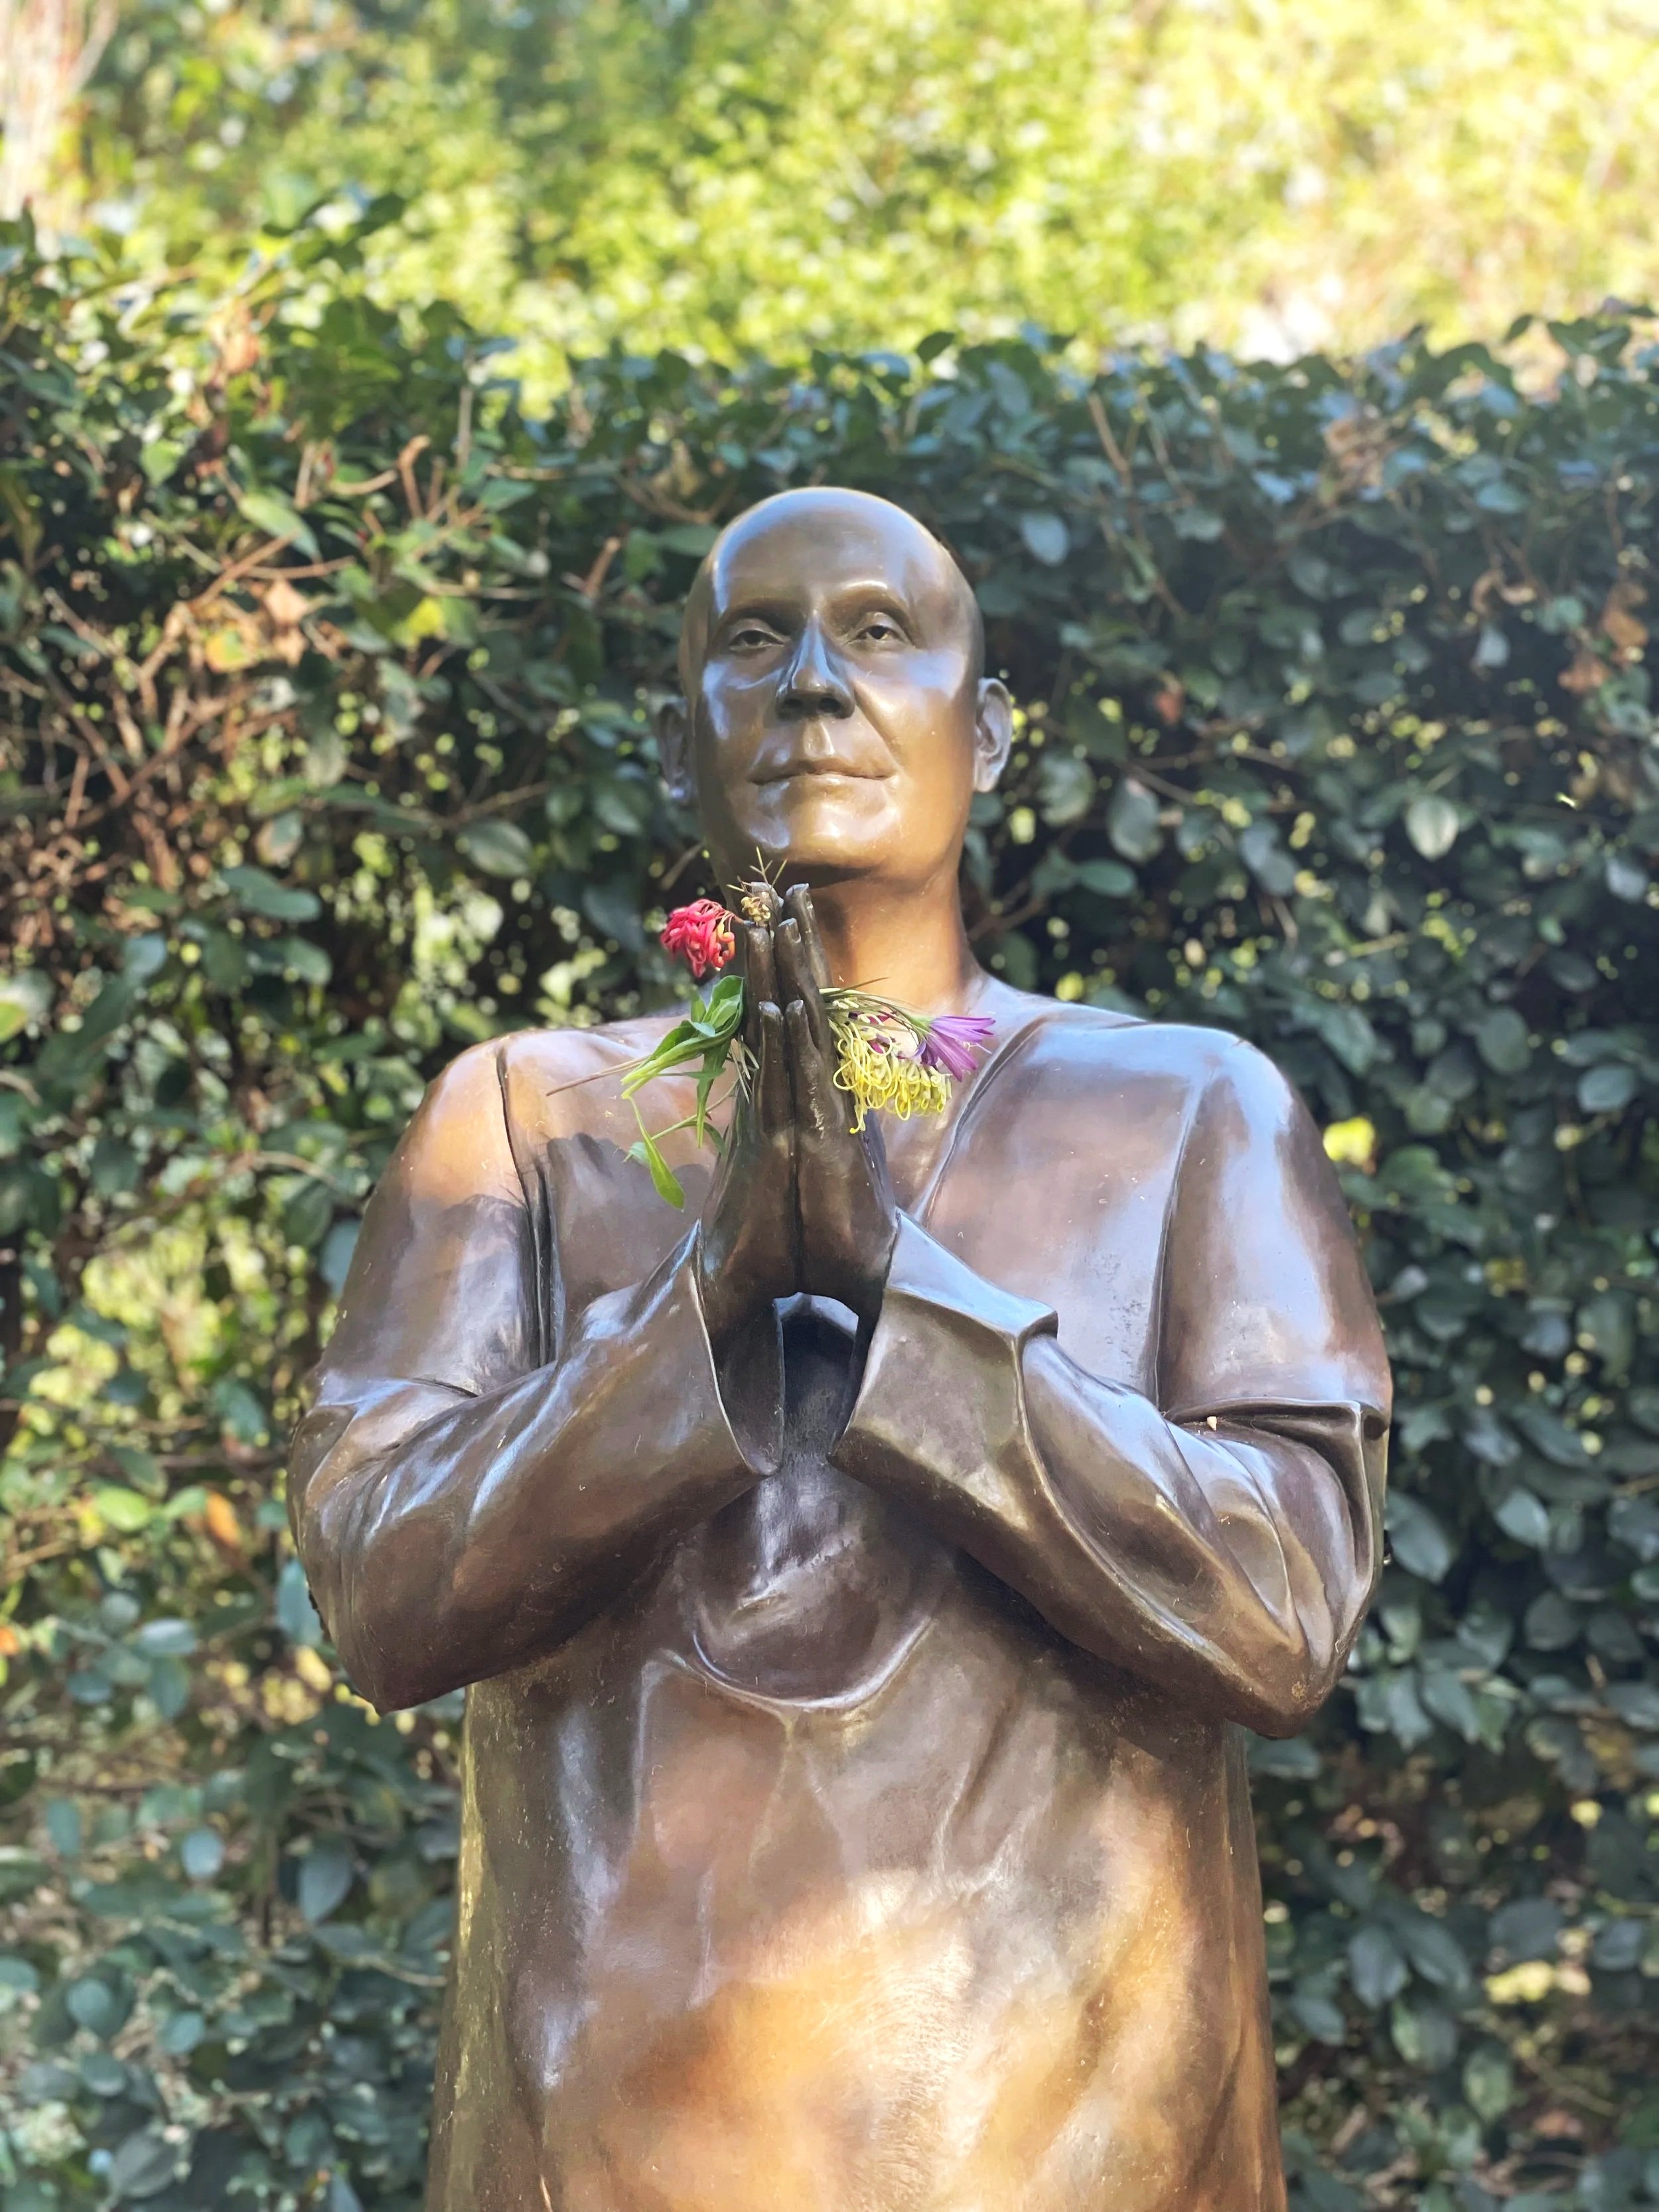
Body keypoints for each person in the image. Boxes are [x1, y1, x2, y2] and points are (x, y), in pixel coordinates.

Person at [289, 487, 1390, 2212]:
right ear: (681, 747)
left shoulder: (1190, 1110)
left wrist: (907, 1305)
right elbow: (380, 1591)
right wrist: (698, 1321)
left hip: (1076, 2144)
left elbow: (1282, 1607)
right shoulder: (522, 1121)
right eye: (756, 641)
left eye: (880, 633)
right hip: (612, 2142)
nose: (814, 681)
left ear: (989, 731)